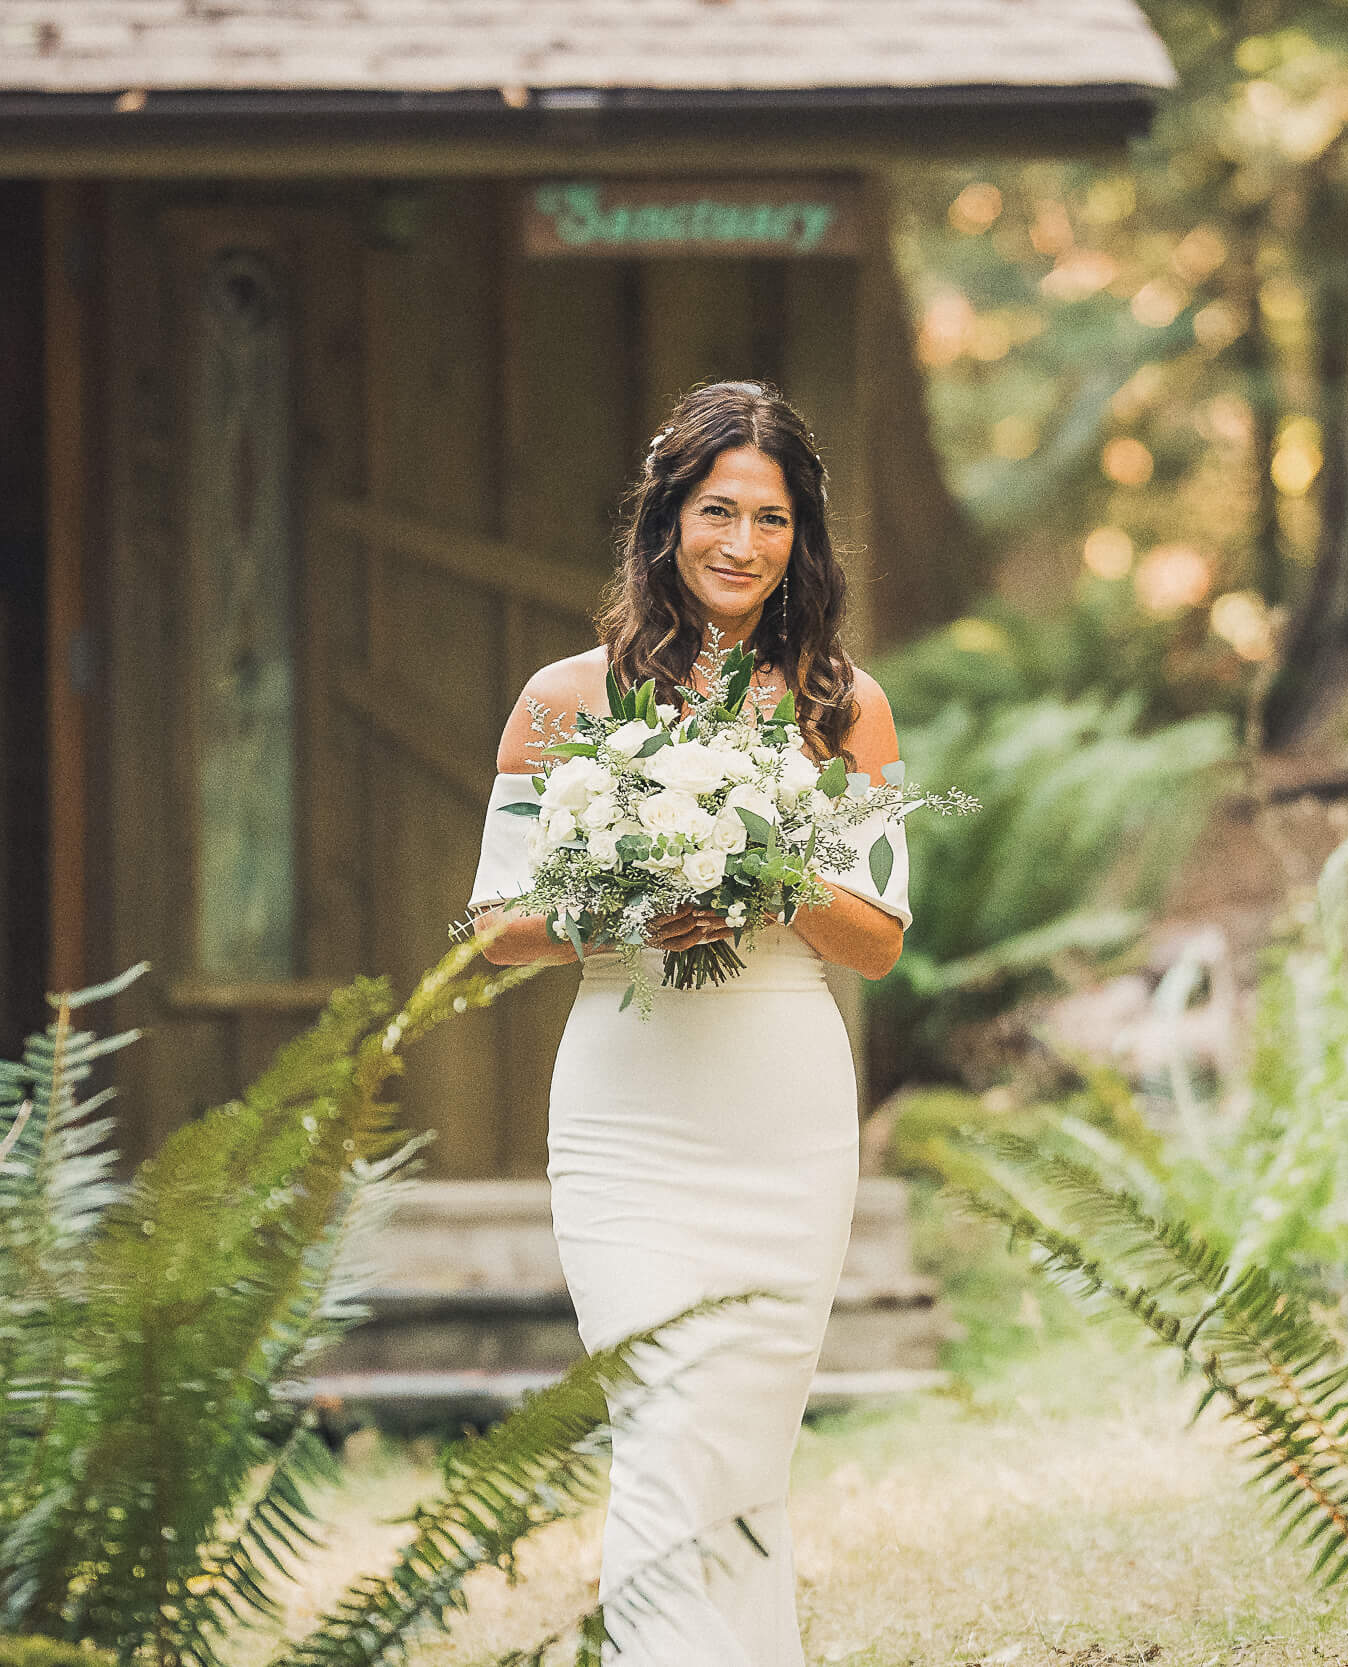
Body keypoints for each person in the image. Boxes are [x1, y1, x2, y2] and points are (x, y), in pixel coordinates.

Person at [463, 379, 910, 1666]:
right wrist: (632, 901)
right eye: (717, 510)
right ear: (664, 522)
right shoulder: (562, 699)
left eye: (770, 519)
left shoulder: (844, 706)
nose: (741, 543)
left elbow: (875, 939)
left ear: (801, 538)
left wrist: (759, 867)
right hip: (627, 1110)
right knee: (664, 1417)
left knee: (748, 1443)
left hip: (784, 1106)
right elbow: (497, 922)